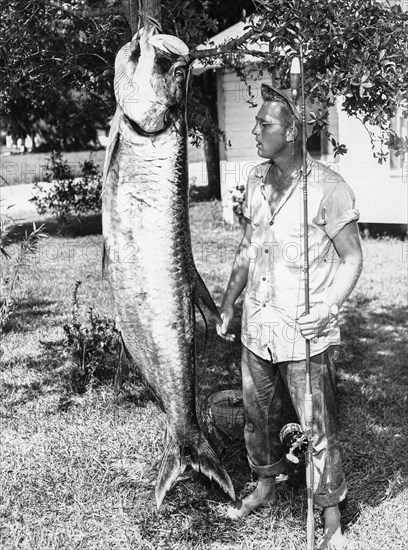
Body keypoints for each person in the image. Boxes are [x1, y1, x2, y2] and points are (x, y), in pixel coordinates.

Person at [217, 84, 363, 550]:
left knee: (318, 429)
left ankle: (332, 518)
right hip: (258, 326)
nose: (256, 130)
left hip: (306, 331)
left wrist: (328, 306)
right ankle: (264, 482)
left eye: (266, 124)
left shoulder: (329, 188)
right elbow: (247, 248)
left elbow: (353, 259)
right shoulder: (255, 180)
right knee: (257, 417)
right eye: (257, 122)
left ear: (293, 131)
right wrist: (228, 302)